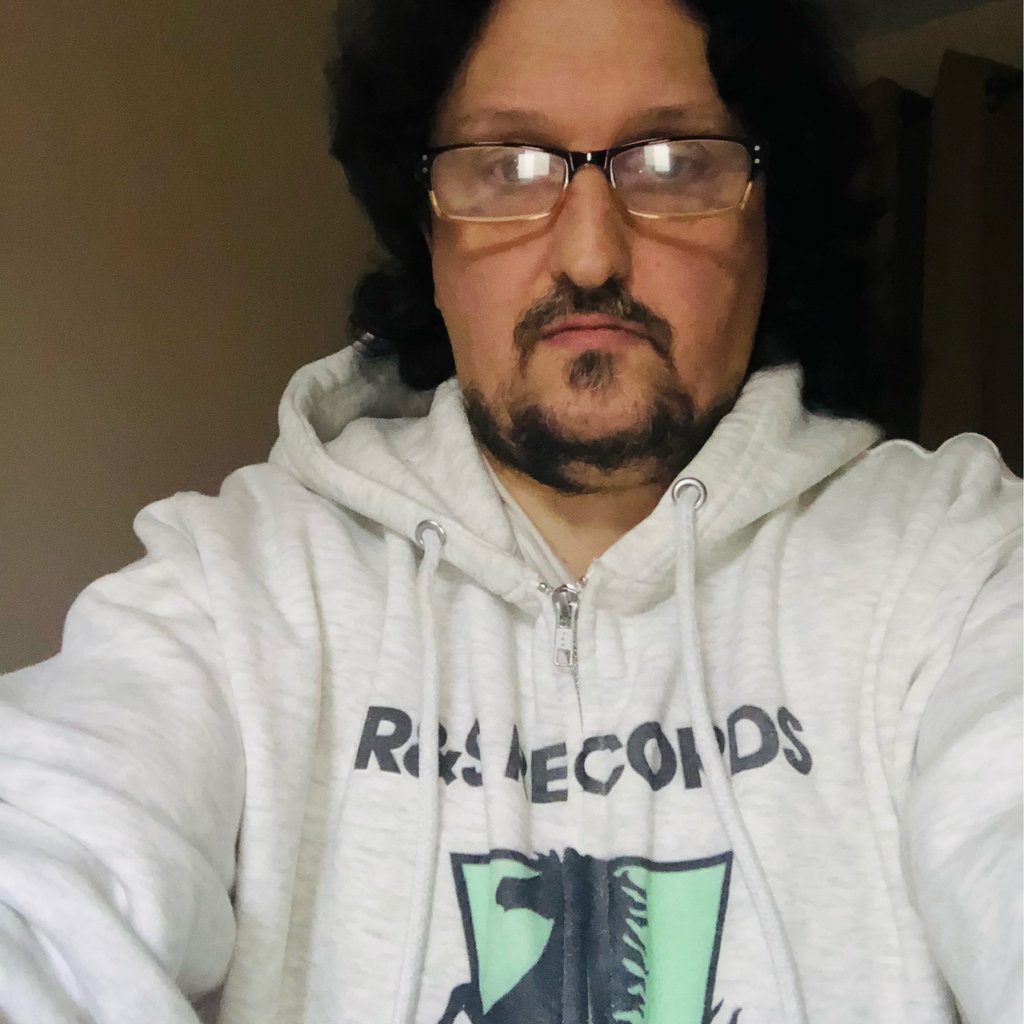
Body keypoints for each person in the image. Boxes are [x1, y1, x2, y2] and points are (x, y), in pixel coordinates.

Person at [1, 0, 1020, 1021]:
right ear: (431, 237)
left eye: (671, 163)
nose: (590, 255)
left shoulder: (957, 565)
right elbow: (38, 866)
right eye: (508, 167)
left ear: (765, 218)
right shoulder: (236, 590)